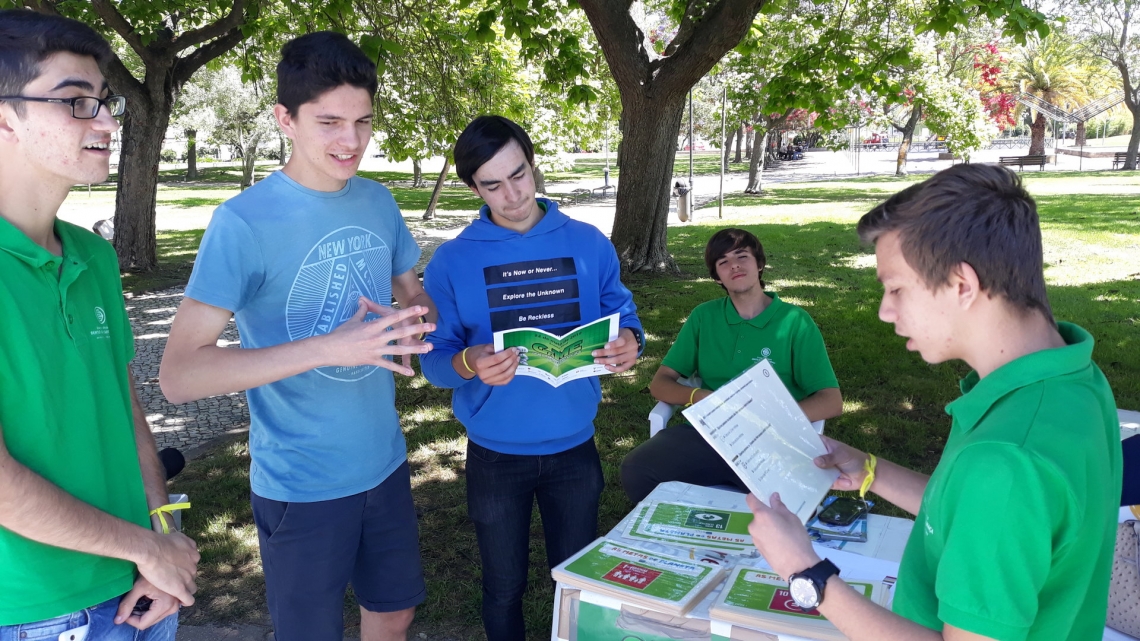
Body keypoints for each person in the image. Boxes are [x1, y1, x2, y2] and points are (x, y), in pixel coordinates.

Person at [745, 165, 1122, 640]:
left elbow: (997, 491)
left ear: (962, 284)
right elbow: (978, 515)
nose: (885, 311)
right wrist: (870, 470)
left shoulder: (1004, 461)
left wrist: (804, 571)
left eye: (896, 289)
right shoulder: (1071, 377)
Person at [159, 31, 436, 641]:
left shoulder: (378, 200)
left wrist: (417, 322)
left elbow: (413, 294)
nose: (351, 141)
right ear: (285, 118)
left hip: (385, 461)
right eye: (330, 122)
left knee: (394, 613)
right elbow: (179, 376)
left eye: (363, 121)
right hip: (301, 481)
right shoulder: (242, 222)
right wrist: (332, 347)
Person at [0, 9, 199, 638]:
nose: (109, 122)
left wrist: (161, 536)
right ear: (5, 118)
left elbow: (123, 405)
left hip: (139, 590)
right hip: (33, 615)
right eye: (75, 102)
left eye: (104, 101)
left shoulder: (93, 255)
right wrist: (146, 548)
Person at [420, 115, 643, 641]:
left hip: (575, 448)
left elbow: (624, 316)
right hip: (496, 454)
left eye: (519, 174)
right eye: (492, 184)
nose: (513, 194)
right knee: (503, 586)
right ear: (473, 188)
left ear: (532, 163)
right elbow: (433, 362)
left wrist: (631, 343)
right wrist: (469, 363)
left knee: (577, 582)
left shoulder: (588, 242)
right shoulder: (452, 260)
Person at [620, 228, 842, 503]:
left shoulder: (795, 322)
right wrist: (701, 397)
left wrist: (775, 420)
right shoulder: (704, 317)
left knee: (787, 504)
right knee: (637, 470)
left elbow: (831, 400)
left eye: (742, 256)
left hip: (775, 441)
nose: (734, 265)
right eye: (723, 262)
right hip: (713, 434)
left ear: (759, 264)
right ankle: (681, 527)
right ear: (717, 276)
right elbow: (660, 383)